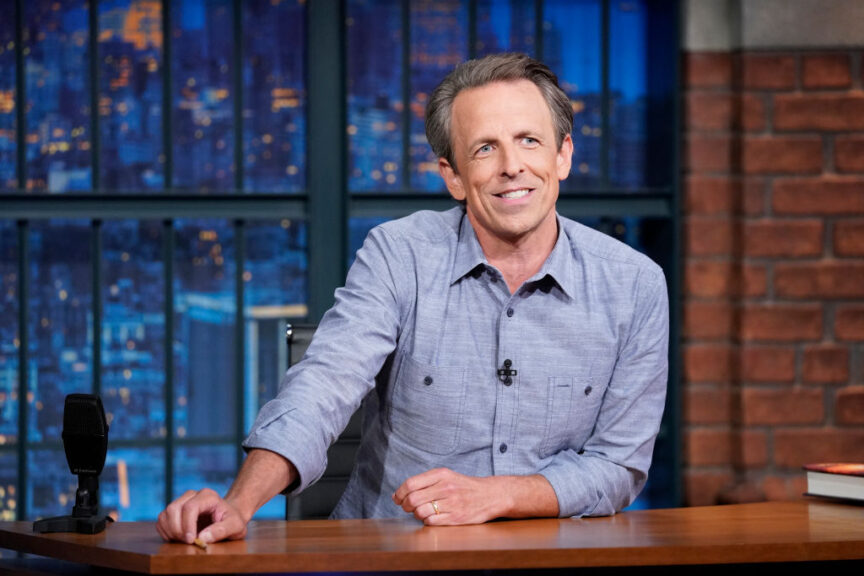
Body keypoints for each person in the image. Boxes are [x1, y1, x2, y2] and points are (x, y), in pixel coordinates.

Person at [155, 52, 668, 545]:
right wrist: (240, 503)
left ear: (562, 156)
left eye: (529, 140)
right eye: (485, 149)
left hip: (544, 562)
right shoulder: (400, 255)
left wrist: (498, 496)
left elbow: (618, 466)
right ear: (453, 177)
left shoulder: (634, 285)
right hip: (388, 555)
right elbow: (323, 388)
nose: (512, 166)